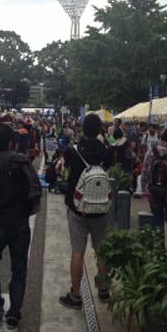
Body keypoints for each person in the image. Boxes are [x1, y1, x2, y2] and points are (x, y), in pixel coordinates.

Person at [0, 122, 34, 330]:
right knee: (19, 267)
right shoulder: (21, 160)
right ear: (11, 141)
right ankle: (14, 312)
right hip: (20, 222)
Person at [59, 114, 113, 309]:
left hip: (77, 208)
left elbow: (62, 170)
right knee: (101, 250)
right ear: (100, 130)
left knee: (77, 252)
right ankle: (104, 289)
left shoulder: (72, 151)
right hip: (101, 208)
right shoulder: (106, 151)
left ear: (82, 129)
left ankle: (75, 295)